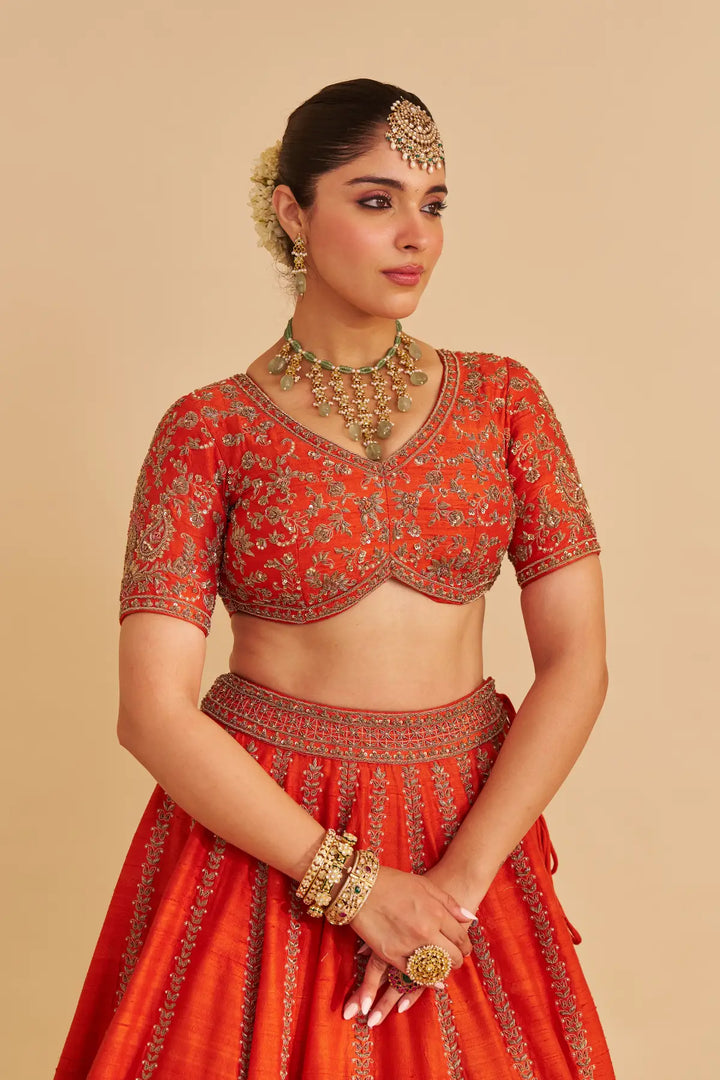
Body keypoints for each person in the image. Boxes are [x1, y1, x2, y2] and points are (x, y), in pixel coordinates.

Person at [54, 78, 615, 1079]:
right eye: (375, 198)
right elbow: (152, 710)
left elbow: (578, 664)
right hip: (265, 841)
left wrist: (451, 889)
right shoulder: (207, 431)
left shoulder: (504, 400)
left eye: (433, 202)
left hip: (470, 835)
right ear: (291, 210)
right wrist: (356, 889)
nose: (416, 234)